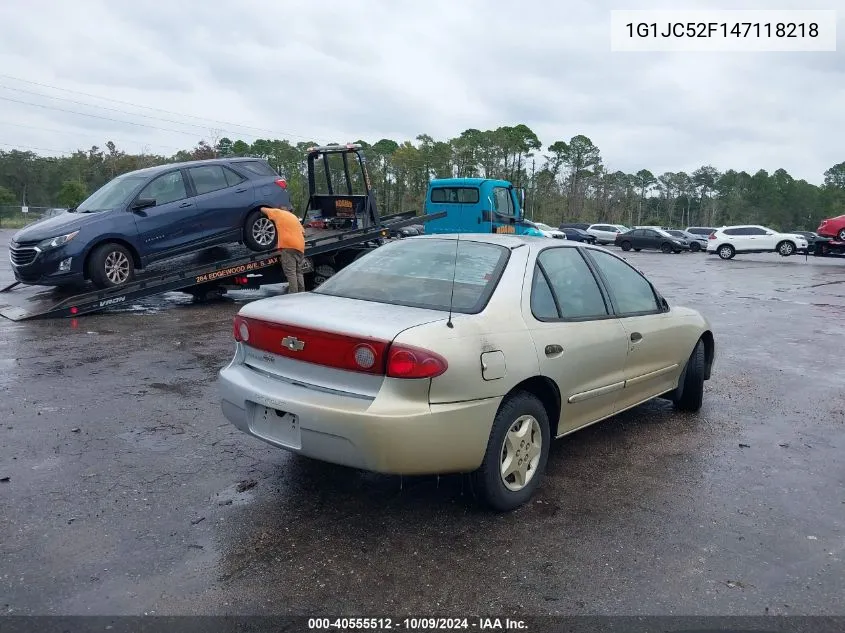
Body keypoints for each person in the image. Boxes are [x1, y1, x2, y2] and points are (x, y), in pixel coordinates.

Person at [261, 206, 306, 293]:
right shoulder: (294, 217)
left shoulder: (278, 213)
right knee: (299, 272)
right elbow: (303, 233)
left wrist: (260, 207)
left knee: (291, 272)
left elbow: (262, 209)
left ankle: (294, 294)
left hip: (289, 246)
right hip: (300, 247)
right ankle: (301, 292)